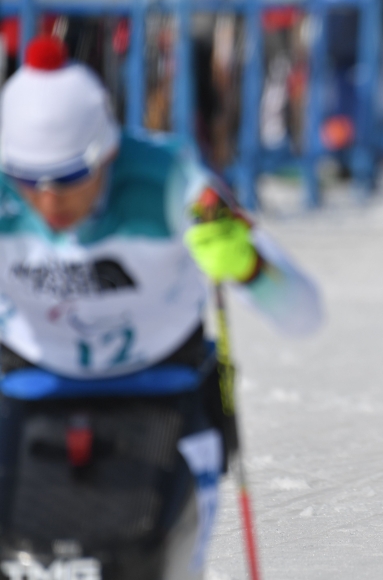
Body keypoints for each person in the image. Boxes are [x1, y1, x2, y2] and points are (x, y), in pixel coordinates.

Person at [0, 35, 322, 578]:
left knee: (140, 563)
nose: (49, 202)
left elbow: (303, 312)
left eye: (70, 177)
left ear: (106, 151)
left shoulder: (170, 179)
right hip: (32, 391)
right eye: (29, 181)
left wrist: (245, 265)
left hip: (160, 395)